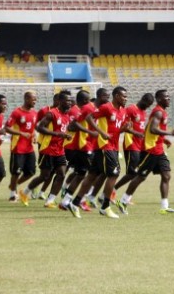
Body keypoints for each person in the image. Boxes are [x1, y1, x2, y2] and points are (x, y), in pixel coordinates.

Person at [67, 86, 129, 219]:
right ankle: (105, 206)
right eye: (124, 96)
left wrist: (125, 129)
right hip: (104, 146)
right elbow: (89, 118)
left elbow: (116, 130)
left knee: (92, 175)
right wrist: (101, 132)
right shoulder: (107, 108)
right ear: (117, 96)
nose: (126, 98)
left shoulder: (123, 111)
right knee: (113, 174)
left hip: (112, 146)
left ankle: (75, 202)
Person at [116, 89, 174, 215]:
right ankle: (123, 201)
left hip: (159, 149)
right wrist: (170, 133)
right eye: (165, 97)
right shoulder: (158, 112)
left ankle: (164, 206)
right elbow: (153, 129)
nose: (168, 99)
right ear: (159, 99)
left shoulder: (161, 112)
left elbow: (147, 128)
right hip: (150, 150)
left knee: (166, 175)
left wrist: (165, 139)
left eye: (168, 96)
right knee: (140, 176)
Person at [19, 90, 73, 208]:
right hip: (47, 149)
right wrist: (58, 134)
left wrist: (66, 135)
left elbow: (63, 130)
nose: (70, 102)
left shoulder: (67, 115)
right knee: (45, 176)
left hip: (60, 150)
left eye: (71, 100)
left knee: (62, 174)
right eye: (68, 100)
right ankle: (25, 192)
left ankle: (50, 200)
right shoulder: (51, 113)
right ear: (61, 101)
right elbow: (39, 127)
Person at [59, 90, 99, 211]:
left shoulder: (86, 110)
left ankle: (67, 199)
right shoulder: (80, 110)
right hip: (79, 146)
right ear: (85, 100)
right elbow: (72, 125)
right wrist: (89, 131)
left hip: (83, 146)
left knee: (80, 173)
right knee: (92, 174)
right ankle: (80, 199)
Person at [113, 93, 155, 197]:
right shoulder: (131, 109)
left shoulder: (143, 112)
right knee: (133, 172)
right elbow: (124, 125)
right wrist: (135, 133)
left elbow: (140, 127)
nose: (148, 106)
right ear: (143, 99)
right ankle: (112, 191)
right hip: (131, 143)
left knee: (134, 172)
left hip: (139, 145)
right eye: (147, 104)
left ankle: (115, 191)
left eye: (150, 105)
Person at [5, 91, 38, 202]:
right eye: (33, 99)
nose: (35, 101)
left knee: (31, 172)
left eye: (35, 99)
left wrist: (33, 136)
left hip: (29, 148)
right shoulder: (17, 112)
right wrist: (21, 133)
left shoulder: (34, 113)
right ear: (26, 99)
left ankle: (13, 185)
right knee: (16, 172)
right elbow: (7, 127)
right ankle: (12, 194)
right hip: (17, 148)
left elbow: (32, 128)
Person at [32, 93, 59, 200]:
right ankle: (34, 187)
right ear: (55, 100)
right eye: (58, 100)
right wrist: (34, 134)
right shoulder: (44, 111)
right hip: (44, 143)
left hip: (57, 144)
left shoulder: (63, 112)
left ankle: (42, 192)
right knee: (46, 170)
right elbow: (35, 123)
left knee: (54, 171)